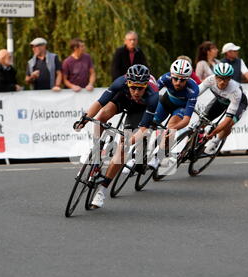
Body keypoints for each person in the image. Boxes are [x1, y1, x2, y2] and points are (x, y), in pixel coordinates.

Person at [73, 65, 158, 208]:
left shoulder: (153, 95)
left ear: (146, 86)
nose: (136, 92)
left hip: (139, 110)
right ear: (128, 83)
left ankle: (102, 190)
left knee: (122, 150)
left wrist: (128, 141)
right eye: (133, 87)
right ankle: (96, 151)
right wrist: (84, 120)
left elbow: (143, 128)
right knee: (102, 115)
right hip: (123, 99)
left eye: (140, 88)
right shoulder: (120, 82)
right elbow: (100, 102)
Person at [144, 58, 199, 170]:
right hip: (165, 102)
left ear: (187, 79)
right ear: (171, 75)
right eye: (175, 79)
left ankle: (157, 157)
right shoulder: (165, 78)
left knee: (171, 126)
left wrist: (173, 129)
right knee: (149, 124)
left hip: (180, 108)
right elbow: (152, 94)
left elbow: (186, 120)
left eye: (182, 80)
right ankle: (137, 155)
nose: (178, 82)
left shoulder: (193, 89)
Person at [197, 63, 248, 155]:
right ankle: (187, 149)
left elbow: (227, 120)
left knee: (228, 124)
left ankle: (215, 142)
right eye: (220, 78)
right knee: (201, 122)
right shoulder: (210, 80)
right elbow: (195, 93)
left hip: (239, 103)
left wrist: (214, 133)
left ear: (230, 78)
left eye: (226, 79)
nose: (222, 81)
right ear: (215, 77)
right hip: (221, 101)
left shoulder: (235, 91)